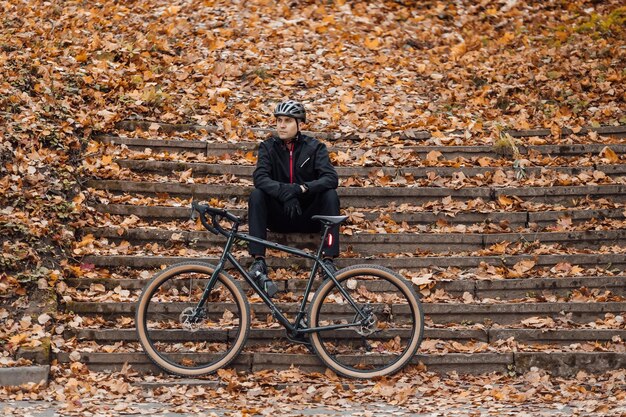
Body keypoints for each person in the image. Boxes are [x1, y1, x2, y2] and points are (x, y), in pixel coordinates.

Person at [247, 100, 340, 297]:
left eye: (288, 121)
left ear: (300, 124)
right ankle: (258, 260)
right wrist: (284, 192)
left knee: (330, 195)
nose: (281, 125)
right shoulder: (268, 147)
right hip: (279, 215)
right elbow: (260, 178)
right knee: (257, 195)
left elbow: (330, 178)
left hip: (309, 216)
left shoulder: (315, 148)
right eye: (279, 120)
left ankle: (329, 260)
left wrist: (301, 189)